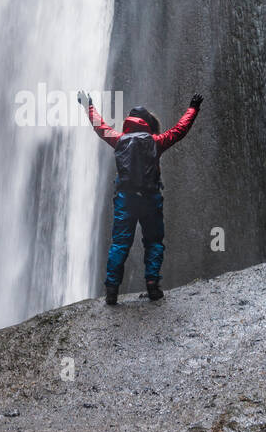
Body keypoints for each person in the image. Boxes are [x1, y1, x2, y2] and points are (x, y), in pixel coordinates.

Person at [77, 90, 203, 304]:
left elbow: (99, 127)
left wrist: (88, 105)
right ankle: (153, 284)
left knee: (119, 243)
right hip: (150, 198)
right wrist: (193, 108)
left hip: (125, 199)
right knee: (154, 242)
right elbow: (180, 130)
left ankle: (111, 290)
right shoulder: (156, 141)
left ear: (129, 122)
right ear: (147, 123)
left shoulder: (119, 140)